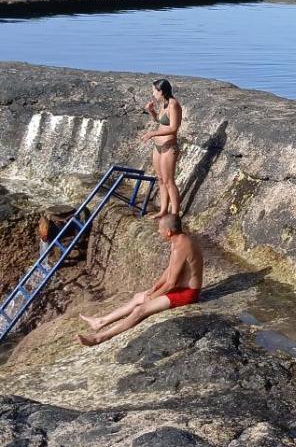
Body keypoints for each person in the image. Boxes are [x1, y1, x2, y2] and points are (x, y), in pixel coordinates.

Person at [78, 214, 203, 346]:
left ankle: (99, 338)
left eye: (160, 228)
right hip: (179, 288)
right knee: (139, 297)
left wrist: (153, 297)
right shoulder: (178, 240)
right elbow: (170, 268)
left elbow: (172, 283)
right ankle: (100, 321)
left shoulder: (181, 247)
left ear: (168, 232)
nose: (158, 231)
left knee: (140, 310)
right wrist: (155, 286)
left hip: (187, 293)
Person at [142, 78, 183, 218]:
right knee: (160, 179)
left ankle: (175, 215)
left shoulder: (173, 104)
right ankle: (163, 210)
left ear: (161, 91)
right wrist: (151, 111)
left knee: (169, 181)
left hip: (169, 147)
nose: (153, 93)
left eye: (154, 91)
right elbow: (160, 122)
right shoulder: (163, 104)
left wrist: (152, 133)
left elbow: (173, 128)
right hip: (158, 146)